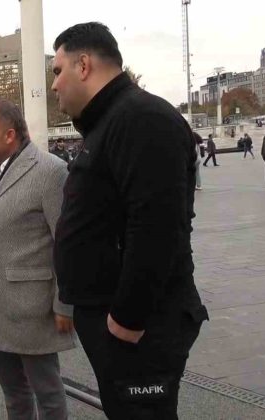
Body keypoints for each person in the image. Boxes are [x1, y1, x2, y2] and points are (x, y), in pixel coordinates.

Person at [51, 22, 208, 419]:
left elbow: (156, 228)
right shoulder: (111, 121)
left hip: (138, 329)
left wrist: (126, 321)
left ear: (83, 65)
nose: (54, 85)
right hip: (116, 321)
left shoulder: (141, 118)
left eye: (58, 71)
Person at [0, 100, 74, 420]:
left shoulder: (50, 171)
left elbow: (66, 243)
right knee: (13, 392)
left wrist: (64, 304)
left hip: (33, 308)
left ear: (10, 135)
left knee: (48, 394)